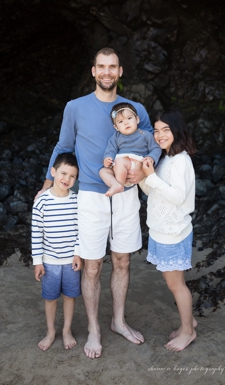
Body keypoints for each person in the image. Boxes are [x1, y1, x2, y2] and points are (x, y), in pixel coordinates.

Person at [43, 47, 155, 358]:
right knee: (92, 265)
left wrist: (144, 176)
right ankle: (94, 328)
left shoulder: (136, 109)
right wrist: (47, 184)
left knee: (123, 260)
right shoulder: (75, 107)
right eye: (101, 67)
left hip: (127, 194)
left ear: (120, 72)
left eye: (113, 67)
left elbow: (151, 150)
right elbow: (64, 146)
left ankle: (118, 321)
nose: (107, 72)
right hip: (90, 194)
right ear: (93, 71)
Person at [135, 110, 198, 351]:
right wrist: (143, 176)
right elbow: (153, 191)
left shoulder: (181, 160)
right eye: (156, 130)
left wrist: (152, 176)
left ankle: (188, 332)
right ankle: (187, 321)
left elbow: (177, 196)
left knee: (176, 285)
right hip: (160, 230)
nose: (160, 135)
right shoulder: (165, 158)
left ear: (177, 131)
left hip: (173, 232)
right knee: (174, 282)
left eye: (166, 130)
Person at [32, 153, 82, 351]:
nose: (66, 179)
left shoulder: (77, 201)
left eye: (72, 176)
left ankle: (67, 329)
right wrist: (37, 261)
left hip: (71, 261)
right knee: (50, 297)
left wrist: (77, 253)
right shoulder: (42, 201)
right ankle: (51, 331)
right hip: (49, 261)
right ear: (53, 172)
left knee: (70, 296)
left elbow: (80, 230)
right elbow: (36, 232)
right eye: (63, 173)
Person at [99, 103, 159, 197]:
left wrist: (151, 157)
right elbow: (110, 150)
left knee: (120, 161)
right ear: (116, 127)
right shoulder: (116, 137)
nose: (126, 122)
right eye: (120, 121)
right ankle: (116, 184)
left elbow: (155, 148)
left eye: (129, 118)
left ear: (137, 119)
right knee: (103, 171)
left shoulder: (145, 135)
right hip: (119, 167)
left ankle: (119, 186)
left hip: (135, 163)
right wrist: (107, 158)